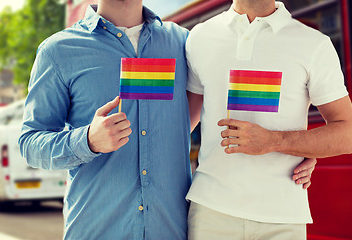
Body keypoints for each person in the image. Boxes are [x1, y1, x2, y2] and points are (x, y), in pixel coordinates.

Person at [19, 0, 315, 239]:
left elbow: (231, 102)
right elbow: (30, 143)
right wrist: (87, 140)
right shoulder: (59, 51)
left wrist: (294, 148)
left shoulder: (183, 43)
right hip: (97, 228)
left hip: (171, 230)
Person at [185, 0, 352, 239]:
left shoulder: (314, 44)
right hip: (210, 213)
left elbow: (347, 135)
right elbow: (181, 125)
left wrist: (276, 141)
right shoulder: (199, 37)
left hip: (283, 219)